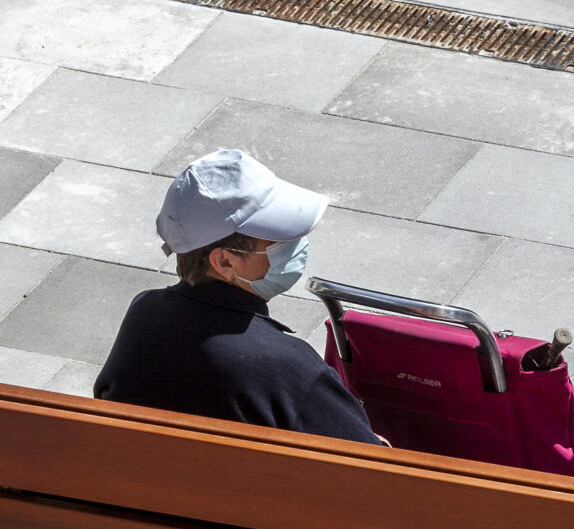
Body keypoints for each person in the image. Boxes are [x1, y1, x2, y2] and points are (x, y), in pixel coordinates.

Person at [96, 148, 381, 445]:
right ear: (225, 262)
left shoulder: (144, 313)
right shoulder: (288, 367)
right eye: (278, 237)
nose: (296, 244)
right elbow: (374, 467)